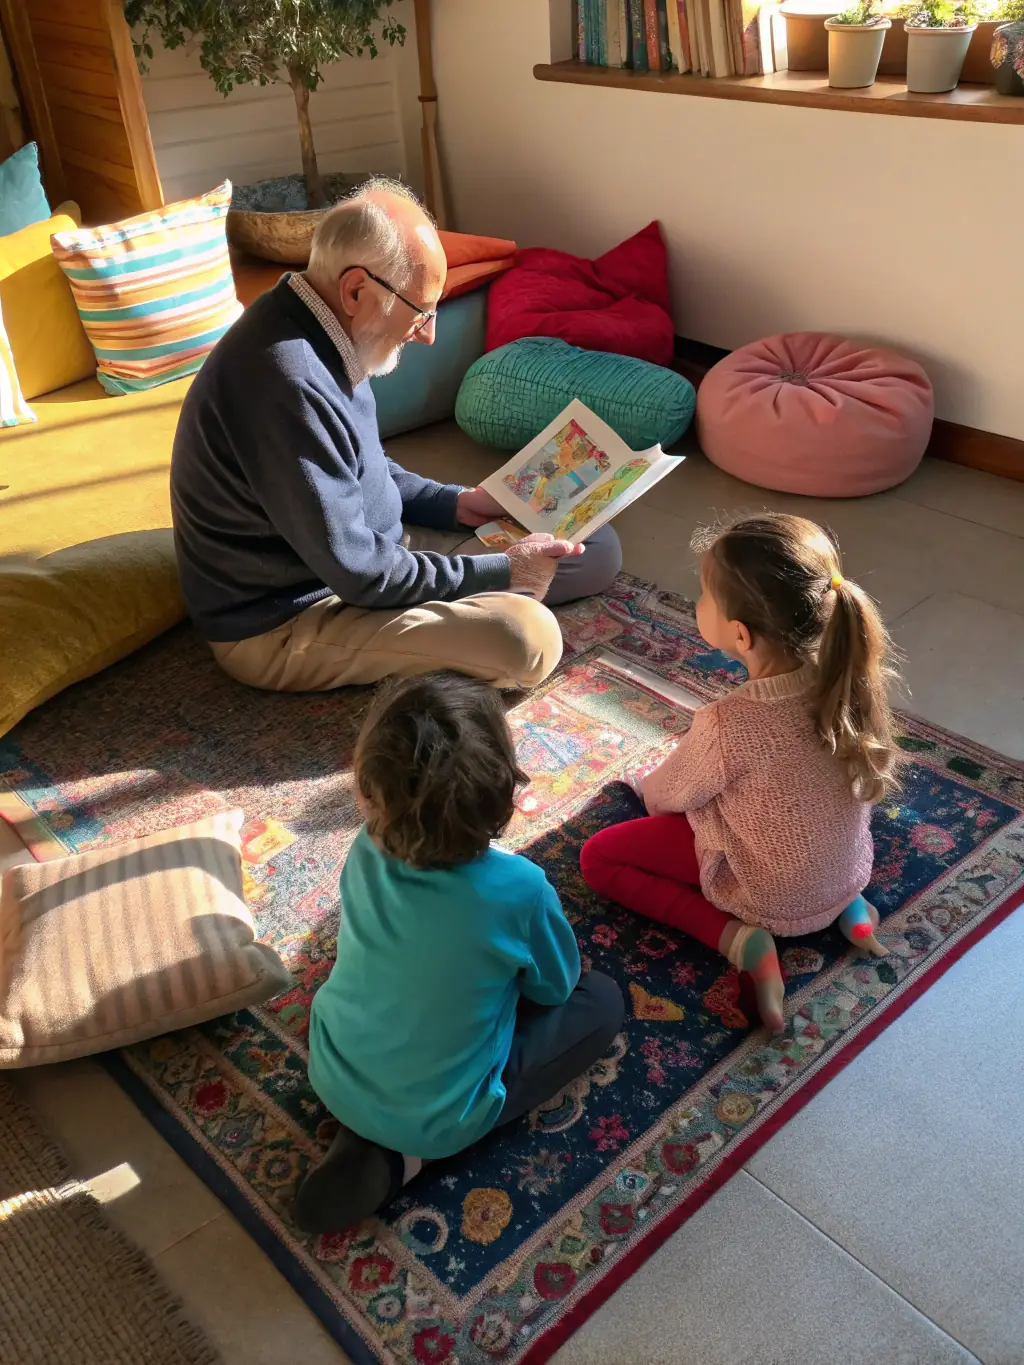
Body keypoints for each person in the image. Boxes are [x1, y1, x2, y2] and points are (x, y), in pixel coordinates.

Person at [170, 177, 621, 694]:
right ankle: (488, 603)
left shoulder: (322, 323)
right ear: (357, 289)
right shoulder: (284, 382)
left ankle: (486, 585)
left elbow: (366, 467)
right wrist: (500, 573)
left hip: (367, 557)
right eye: (422, 311)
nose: (428, 332)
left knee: (591, 545)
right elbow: (358, 572)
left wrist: (457, 505)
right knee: (527, 639)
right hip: (289, 618)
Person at [294, 671, 624, 1233]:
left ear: (370, 787)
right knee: (602, 1001)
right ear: (503, 791)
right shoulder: (521, 888)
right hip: (440, 1114)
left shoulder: (364, 848)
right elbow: (555, 987)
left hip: (331, 1062)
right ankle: (400, 1159)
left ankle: (368, 1120)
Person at [579, 513, 899, 1035]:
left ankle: (739, 940)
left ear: (741, 635)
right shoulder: (852, 680)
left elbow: (664, 798)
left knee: (599, 858)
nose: (697, 602)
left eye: (704, 595)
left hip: (763, 895)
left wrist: (645, 787)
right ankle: (847, 906)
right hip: (846, 870)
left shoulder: (731, 723)